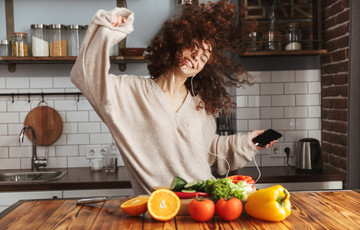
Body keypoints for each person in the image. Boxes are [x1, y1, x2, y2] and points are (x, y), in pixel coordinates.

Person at [70, 1, 276, 195]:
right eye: (193, 46)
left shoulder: (199, 105)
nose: (196, 57)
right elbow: (85, 76)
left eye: (204, 57)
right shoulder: (129, 93)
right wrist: (109, 30)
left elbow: (211, 149)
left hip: (203, 206)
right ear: (177, 42)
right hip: (160, 210)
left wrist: (249, 142)